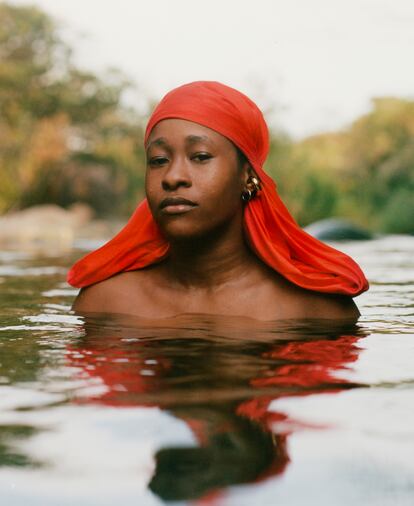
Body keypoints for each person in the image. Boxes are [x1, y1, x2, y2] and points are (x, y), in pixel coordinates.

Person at [69, 81, 369, 321]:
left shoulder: (317, 311)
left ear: (247, 176)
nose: (172, 177)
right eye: (158, 160)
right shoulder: (104, 303)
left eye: (200, 156)